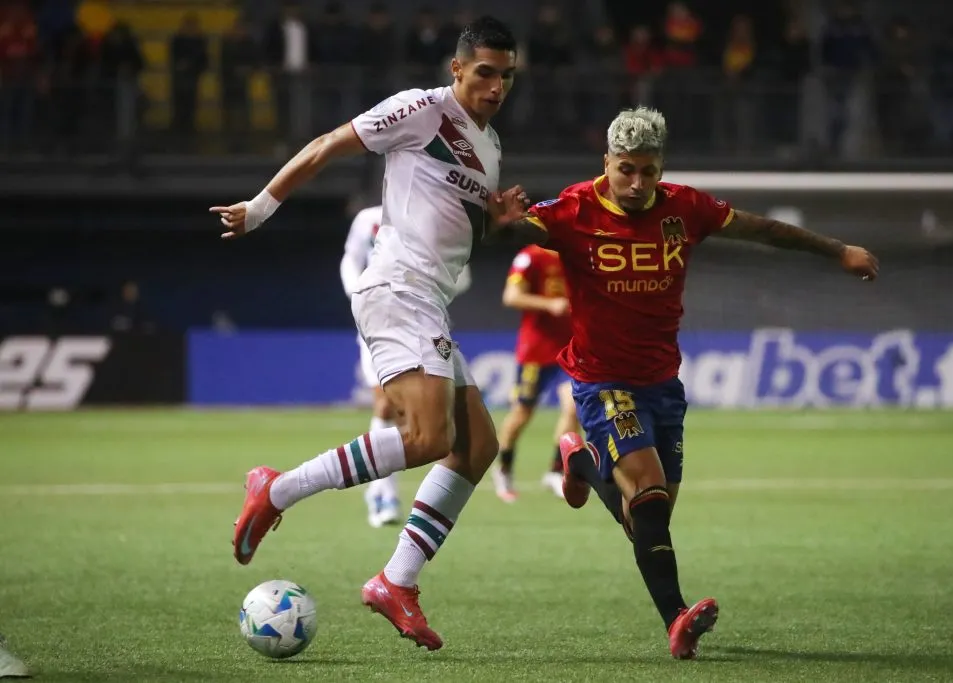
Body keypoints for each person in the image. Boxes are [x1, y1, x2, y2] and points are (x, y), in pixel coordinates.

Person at [491, 106, 879, 659]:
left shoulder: (686, 208)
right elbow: (498, 230)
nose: (637, 182)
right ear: (607, 163)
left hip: (662, 384)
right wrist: (495, 218)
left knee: (647, 517)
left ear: (661, 168)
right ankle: (677, 620)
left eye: (648, 171)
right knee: (647, 494)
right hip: (602, 381)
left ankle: (578, 462)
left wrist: (838, 250)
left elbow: (764, 230)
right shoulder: (574, 210)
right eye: (626, 168)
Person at [211, 16, 528, 651]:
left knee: (476, 447)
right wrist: (260, 208)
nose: (495, 87)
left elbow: (457, 233)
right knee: (429, 436)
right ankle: (275, 489)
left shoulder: (489, 148)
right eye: (485, 73)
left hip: (431, 302)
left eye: (506, 76)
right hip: (395, 289)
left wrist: (499, 222)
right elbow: (329, 142)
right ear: (458, 70)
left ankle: (396, 580)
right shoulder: (421, 110)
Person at [341, 204, 473, 526]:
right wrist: (359, 293)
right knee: (386, 405)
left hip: (428, 321)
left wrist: (431, 291)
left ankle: (422, 499)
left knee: (434, 416)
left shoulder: (440, 215)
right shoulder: (368, 219)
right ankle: (384, 493)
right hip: (380, 318)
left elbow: (463, 275)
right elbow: (350, 259)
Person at [492, 245, 578, 502]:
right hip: (536, 351)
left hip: (571, 348)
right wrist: (549, 304)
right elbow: (511, 296)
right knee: (521, 413)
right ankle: (504, 467)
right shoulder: (530, 257)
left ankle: (556, 470)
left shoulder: (579, 252)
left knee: (574, 407)